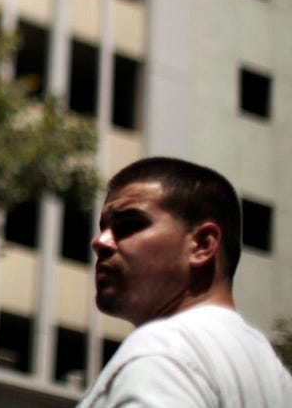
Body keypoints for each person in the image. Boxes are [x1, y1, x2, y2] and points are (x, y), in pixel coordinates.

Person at [78, 156, 292, 406]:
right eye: (104, 227)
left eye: (129, 224)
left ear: (202, 245)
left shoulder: (164, 349)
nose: (100, 242)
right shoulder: (276, 378)